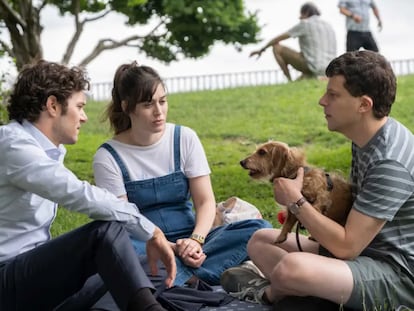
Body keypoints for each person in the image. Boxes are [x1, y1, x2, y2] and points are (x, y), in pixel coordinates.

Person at [220, 50, 414, 310]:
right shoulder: (368, 139)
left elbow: (347, 247)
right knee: (260, 240)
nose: (322, 101)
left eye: (333, 95)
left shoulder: (389, 163)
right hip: (366, 252)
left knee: (292, 268)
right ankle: (311, 295)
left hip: (397, 274)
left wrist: (296, 201)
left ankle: (270, 294)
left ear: (363, 105)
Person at [0, 60, 176, 311]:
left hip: (32, 281)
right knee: (105, 233)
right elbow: (78, 194)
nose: (84, 117)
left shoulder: (46, 150)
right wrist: (151, 230)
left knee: (147, 267)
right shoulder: (12, 145)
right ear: (52, 105)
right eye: (79, 106)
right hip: (7, 282)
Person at [92, 61, 272, 287]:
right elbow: (124, 222)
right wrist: (172, 248)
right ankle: (199, 276)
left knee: (259, 231)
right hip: (144, 243)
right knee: (120, 252)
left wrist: (195, 241)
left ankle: (174, 278)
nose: (159, 112)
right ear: (128, 107)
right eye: (148, 104)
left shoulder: (184, 138)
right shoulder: (108, 156)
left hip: (194, 238)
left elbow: (205, 201)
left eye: (163, 101)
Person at [249, 2, 336, 82]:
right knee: (300, 81)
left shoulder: (305, 24)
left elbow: (277, 39)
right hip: (330, 68)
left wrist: (262, 49)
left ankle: (289, 80)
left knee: (277, 47)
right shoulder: (329, 26)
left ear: (305, 13)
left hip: (312, 66)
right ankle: (313, 78)